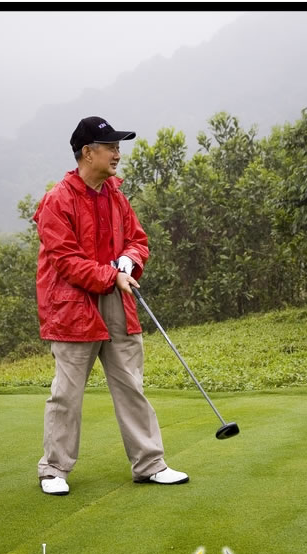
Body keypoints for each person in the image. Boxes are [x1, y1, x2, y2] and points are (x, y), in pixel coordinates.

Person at [33, 116, 189, 495]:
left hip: (116, 300)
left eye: (118, 147)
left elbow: (138, 240)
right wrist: (111, 275)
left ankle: (150, 464)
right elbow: (66, 260)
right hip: (72, 306)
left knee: (130, 384)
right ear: (88, 153)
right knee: (67, 393)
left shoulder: (116, 195)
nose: (118, 154)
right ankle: (53, 470)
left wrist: (129, 262)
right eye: (111, 147)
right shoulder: (58, 200)